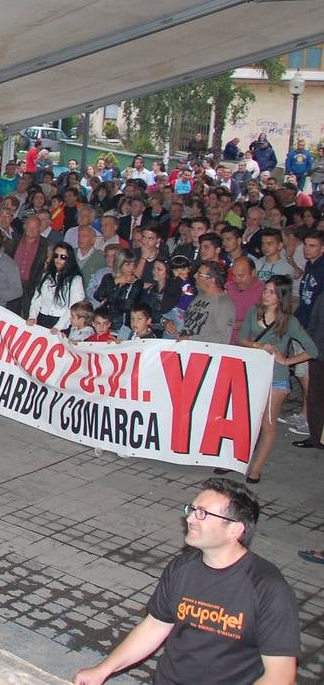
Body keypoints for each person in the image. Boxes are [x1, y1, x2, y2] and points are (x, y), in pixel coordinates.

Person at [72, 478, 298, 685]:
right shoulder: (182, 567)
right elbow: (155, 626)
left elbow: (280, 676)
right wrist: (103, 669)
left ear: (235, 530)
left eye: (203, 514)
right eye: (192, 509)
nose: (190, 518)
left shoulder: (268, 588)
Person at [240, 276, 318, 482]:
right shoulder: (253, 312)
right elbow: (242, 339)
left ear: (281, 296)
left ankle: (256, 468)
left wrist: (286, 361)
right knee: (248, 419)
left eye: (272, 292)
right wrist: (258, 346)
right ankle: (240, 460)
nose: (266, 294)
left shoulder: (289, 321)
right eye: (265, 290)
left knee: (268, 422)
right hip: (253, 374)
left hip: (276, 378)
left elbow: (312, 350)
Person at [169, 261, 235, 343]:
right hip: (186, 348)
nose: (195, 276)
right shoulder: (199, 296)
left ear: (211, 279)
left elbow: (223, 338)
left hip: (202, 352)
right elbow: (185, 320)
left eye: (199, 274)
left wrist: (191, 339)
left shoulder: (224, 303)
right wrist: (167, 322)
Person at [28, 244, 85, 330]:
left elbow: (74, 307)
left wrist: (58, 327)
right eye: (56, 256)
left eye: (63, 257)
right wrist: (32, 316)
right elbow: (36, 299)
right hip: (41, 318)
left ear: (69, 259)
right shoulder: (46, 276)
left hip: (62, 321)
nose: (58, 259)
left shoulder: (75, 280)